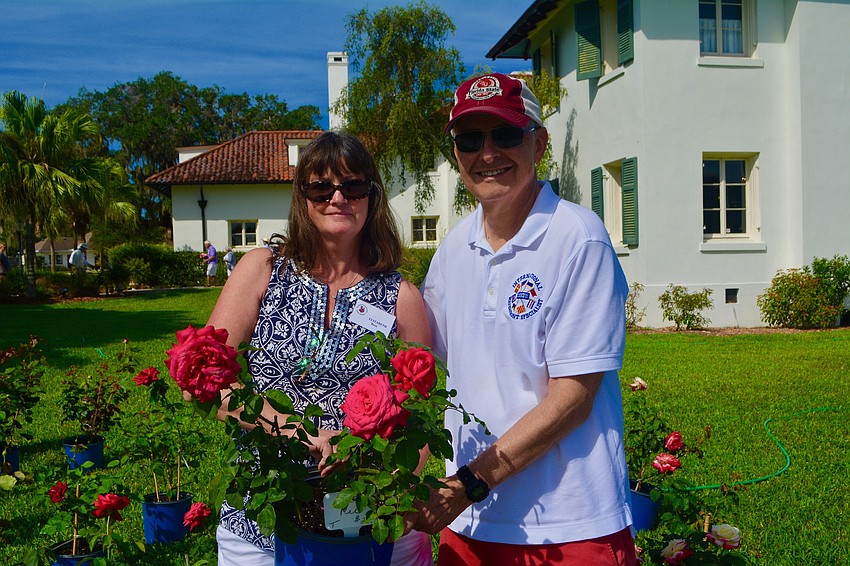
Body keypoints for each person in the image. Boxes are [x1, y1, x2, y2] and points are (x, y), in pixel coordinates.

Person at [416, 73, 635, 565]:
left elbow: (573, 399)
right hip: (470, 525)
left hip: (568, 526)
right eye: (471, 139)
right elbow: (424, 372)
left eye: (507, 135)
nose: (487, 153)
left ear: (539, 144)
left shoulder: (578, 238)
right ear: (457, 154)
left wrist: (469, 482)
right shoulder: (453, 249)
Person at [206, 131, 434, 566]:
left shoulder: (401, 297)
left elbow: (420, 415)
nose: (337, 197)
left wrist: (400, 489)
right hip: (262, 518)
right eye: (320, 186)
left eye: (353, 186)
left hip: (367, 516)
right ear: (302, 197)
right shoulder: (262, 270)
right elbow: (207, 383)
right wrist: (294, 429)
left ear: (372, 195)